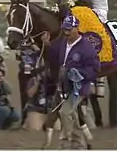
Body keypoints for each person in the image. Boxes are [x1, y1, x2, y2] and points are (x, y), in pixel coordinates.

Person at [41, 14, 100, 149]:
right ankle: (76, 142)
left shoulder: (86, 47)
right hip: (63, 85)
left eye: (69, 29)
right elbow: (53, 56)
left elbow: (95, 68)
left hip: (79, 87)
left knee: (65, 112)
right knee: (66, 113)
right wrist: (47, 45)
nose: (66, 32)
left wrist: (79, 74)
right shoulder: (62, 43)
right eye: (64, 29)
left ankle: (74, 142)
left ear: (77, 28)